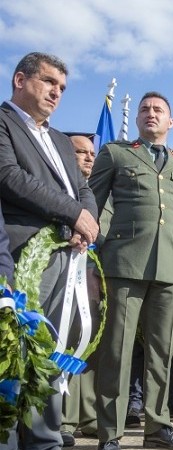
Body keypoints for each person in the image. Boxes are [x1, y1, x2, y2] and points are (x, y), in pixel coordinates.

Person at [90, 91, 173, 450]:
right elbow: (92, 204)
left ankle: (158, 428)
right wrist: (100, 250)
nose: (150, 114)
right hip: (123, 266)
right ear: (137, 119)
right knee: (117, 351)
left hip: (170, 272)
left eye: (158, 110)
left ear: (171, 122)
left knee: (162, 352)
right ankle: (111, 432)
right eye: (144, 109)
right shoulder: (116, 153)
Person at [0, 52, 99, 450]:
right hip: (19, 254)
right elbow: (9, 177)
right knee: (15, 349)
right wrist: (73, 213)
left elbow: (85, 190)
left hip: (65, 261)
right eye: (48, 82)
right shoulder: (3, 123)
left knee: (51, 349)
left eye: (62, 87)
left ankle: (44, 438)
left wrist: (86, 224)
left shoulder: (59, 139)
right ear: (20, 80)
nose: (56, 92)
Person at [60, 135, 101, 447]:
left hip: (93, 277)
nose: (88, 158)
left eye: (91, 153)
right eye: (81, 152)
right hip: (62, 273)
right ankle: (63, 418)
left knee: (88, 344)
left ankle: (87, 414)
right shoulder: (59, 187)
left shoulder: (97, 188)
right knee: (63, 341)